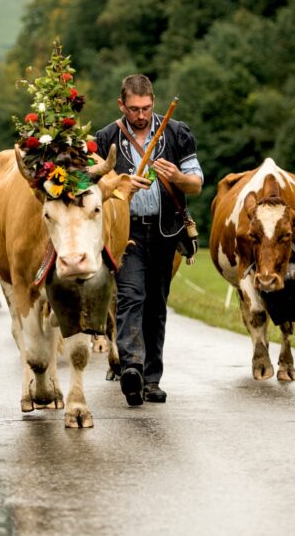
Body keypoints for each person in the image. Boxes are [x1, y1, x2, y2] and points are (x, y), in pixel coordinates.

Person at [94, 74, 203, 406]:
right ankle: (133, 369)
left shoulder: (176, 132)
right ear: (121, 105)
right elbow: (94, 184)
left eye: (146, 108)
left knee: (156, 304)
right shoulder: (106, 137)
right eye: (133, 109)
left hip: (166, 230)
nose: (140, 115)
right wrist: (120, 182)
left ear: (154, 102)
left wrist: (178, 177)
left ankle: (152, 379)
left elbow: (196, 184)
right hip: (127, 233)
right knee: (131, 297)